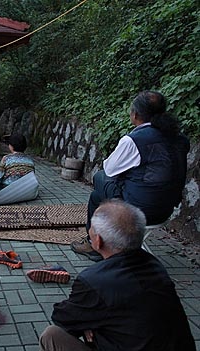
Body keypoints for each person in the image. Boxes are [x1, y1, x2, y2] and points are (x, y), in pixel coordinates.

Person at [40, 199, 195, 351]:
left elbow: (62, 317)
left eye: (91, 230)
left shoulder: (93, 281)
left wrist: (88, 323)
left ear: (98, 241)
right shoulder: (155, 265)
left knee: (52, 335)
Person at [72, 91, 190, 261]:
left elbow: (110, 169)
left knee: (99, 177)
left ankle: (95, 245)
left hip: (139, 211)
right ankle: (101, 242)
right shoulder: (179, 138)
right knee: (97, 196)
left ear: (135, 114)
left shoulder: (135, 140)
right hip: (166, 210)